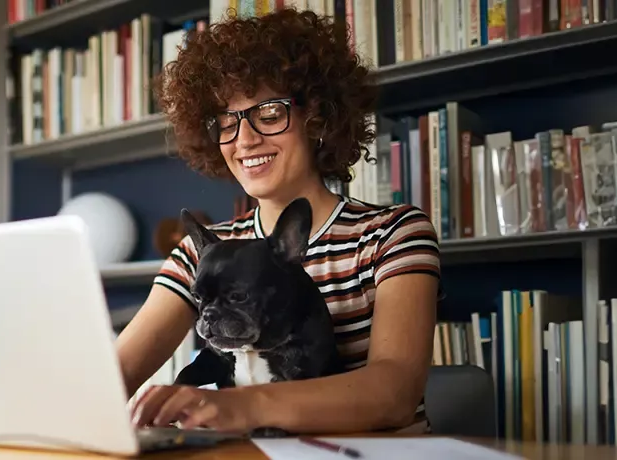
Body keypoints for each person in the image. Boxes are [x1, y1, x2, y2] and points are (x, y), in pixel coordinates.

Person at [116, 7, 441, 435]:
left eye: (268, 114)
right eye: (227, 122)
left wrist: (242, 405)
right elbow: (112, 375)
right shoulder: (206, 250)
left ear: (317, 118)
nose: (245, 140)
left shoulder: (390, 234)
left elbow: (395, 394)